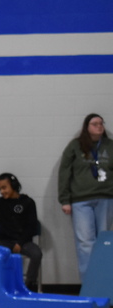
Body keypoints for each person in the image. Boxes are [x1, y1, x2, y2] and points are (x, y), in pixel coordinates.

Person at [58, 113, 113, 281]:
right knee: (85, 244)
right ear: (86, 127)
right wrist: (65, 199)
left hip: (105, 198)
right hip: (81, 200)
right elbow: (65, 172)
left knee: (103, 243)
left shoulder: (110, 146)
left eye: (101, 123)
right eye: (94, 123)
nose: (99, 126)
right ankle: (89, 284)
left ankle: (103, 284)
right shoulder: (75, 146)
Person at [0, 173, 42, 291]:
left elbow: (31, 226)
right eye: (0, 189)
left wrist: (20, 243)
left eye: (4, 188)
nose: (1, 191)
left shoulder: (28, 202)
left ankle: (28, 286)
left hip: (24, 241)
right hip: (6, 242)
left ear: (13, 185)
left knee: (37, 254)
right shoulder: (1, 203)